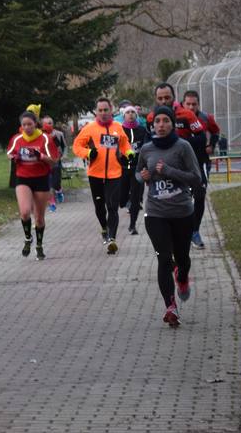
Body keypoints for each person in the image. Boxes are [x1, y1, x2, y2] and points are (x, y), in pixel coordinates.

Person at [135, 105, 203, 328]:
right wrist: (142, 176)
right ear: (152, 125)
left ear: (173, 123)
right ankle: (170, 307)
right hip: (155, 213)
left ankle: (182, 277)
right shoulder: (146, 149)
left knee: (182, 259)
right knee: (163, 258)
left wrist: (169, 172)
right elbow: (138, 173)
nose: (161, 125)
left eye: (166, 120)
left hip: (182, 212)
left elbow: (196, 178)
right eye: (157, 121)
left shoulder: (183, 147)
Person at [71, 97, 133, 254]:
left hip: (114, 173)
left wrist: (129, 153)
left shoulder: (118, 127)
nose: (103, 113)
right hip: (95, 174)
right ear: (96, 112)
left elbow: (125, 144)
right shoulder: (90, 128)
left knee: (112, 206)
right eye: (100, 110)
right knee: (100, 207)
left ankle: (112, 239)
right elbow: (77, 146)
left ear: (111, 110)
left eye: (106, 110)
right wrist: (88, 152)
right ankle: (104, 228)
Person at [6, 110, 57, 259]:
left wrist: (40, 156)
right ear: (21, 126)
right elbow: (9, 153)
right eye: (24, 125)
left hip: (41, 179)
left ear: (36, 124)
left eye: (30, 124)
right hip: (23, 178)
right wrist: (15, 157)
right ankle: (28, 238)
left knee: (39, 218)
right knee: (24, 212)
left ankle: (39, 245)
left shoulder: (45, 139)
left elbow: (54, 161)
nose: (27, 127)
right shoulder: (17, 139)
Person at [174, 90, 219, 249]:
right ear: (182, 103)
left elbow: (215, 131)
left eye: (194, 104)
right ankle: (179, 232)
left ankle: (195, 231)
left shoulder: (206, 118)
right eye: (188, 104)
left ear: (198, 104)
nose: (191, 107)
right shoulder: (177, 117)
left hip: (201, 162)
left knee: (200, 195)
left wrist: (211, 145)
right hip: (180, 164)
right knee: (181, 197)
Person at [116, 104, 149, 236]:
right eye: (128, 112)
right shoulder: (119, 130)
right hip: (123, 168)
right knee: (122, 199)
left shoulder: (142, 130)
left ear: (136, 115)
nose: (130, 114)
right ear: (124, 116)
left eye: (133, 112)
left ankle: (132, 225)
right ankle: (125, 201)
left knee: (136, 198)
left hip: (137, 168)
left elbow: (147, 146)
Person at [41, 116, 66, 208]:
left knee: (56, 183)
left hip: (56, 161)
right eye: (46, 123)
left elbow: (63, 147)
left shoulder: (58, 134)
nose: (48, 125)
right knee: (48, 182)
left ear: (53, 124)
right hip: (45, 162)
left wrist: (62, 156)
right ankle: (51, 201)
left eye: (50, 123)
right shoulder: (40, 135)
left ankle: (59, 190)